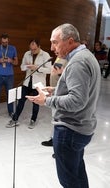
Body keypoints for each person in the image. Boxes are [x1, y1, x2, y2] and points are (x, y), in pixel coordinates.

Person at [26, 23, 101, 188]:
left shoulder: (77, 63)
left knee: (69, 181)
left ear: (70, 41)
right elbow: (82, 91)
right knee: (77, 173)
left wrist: (45, 100)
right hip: (80, 127)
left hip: (70, 130)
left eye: (55, 42)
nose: (52, 47)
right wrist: (56, 89)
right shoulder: (85, 56)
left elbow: (77, 101)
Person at [6, 39, 51, 128]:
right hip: (27, 82)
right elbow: (22, 67)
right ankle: (15, 119)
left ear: (39, 47)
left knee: (36, 102)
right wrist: (27, 66)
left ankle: (33, 120)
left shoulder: (45, 55)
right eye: (31, 49)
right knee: (21, 101)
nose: (32, 51)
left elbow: (49, 70)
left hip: (38, 83)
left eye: (34, 49)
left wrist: (37, 68)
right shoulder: (27, 54)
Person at [0, 33, 18, 119]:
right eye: (3, 42)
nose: (4, 44)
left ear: (8, 41)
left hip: (9, 76)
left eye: (6, 42)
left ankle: (11, 112)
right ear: (1, 41)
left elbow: (16, 63)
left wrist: (10, 60)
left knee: (10, 95)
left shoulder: (13, 48)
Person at [41, 57, 68, 146]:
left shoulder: (68, 59)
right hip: (55, 91)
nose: (54, 48)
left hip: (62, 94)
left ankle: (59, 143)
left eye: (56, 44)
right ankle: (54, 139)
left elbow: (67, 77)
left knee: (60, 119)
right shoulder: (58, 58)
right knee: (54, 117)